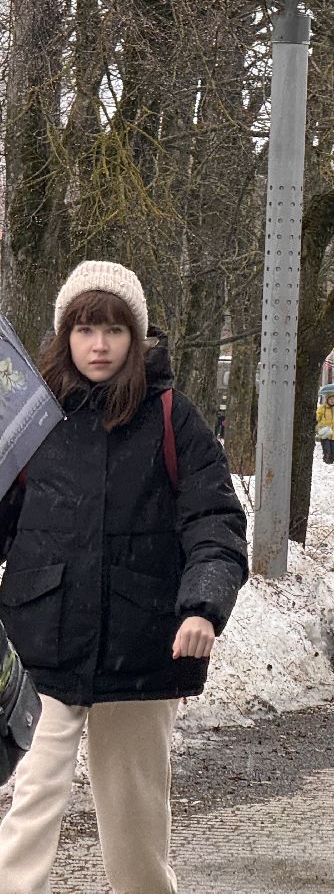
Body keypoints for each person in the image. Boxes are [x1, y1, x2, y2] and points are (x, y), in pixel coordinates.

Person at [0, 260, 248, 892]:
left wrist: (202, 606)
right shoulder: (32, 422)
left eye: (113, 329)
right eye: (85, 329)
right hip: (42, 644)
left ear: (136, 337)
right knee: (30, 804)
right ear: (66, 336)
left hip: (141, 647)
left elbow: (215, 521)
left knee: (136, 822)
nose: (99, 344)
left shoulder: (173, 418)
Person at [316, 392, 334, 464]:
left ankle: (328, 465)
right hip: (325, 433)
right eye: (330, 399)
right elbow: (317, 418)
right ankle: (325, 465)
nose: (332, 400)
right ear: (327, 400)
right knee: (327, 453)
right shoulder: (322, 408)